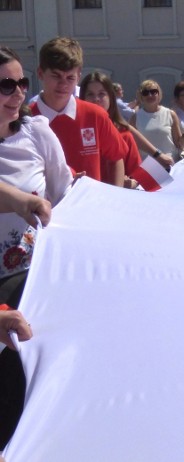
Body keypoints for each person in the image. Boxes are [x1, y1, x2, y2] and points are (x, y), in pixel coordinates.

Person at [0, 46, 72, 449]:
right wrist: (19, 199)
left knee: (36, 382)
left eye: (21, 83)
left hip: (38, 282)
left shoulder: (37, 132)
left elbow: (64, 197)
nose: (17, 93)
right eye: (6, 84)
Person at [29, 37, 126, 187]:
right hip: (41, 208)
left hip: (88, 207)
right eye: (56, 76)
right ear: (40, 73)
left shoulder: (95, 115)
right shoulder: (25, 119)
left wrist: (115, 198)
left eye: (70, 77)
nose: (63, 84)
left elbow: (116, 158)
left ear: (78, 77)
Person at [80, 72, 151, 188]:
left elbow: (140, 178)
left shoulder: (124, 135)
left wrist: (131, 183)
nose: (96, 99)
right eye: (90, 94)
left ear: (111, 98)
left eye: (101, 94)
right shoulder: (75, 132)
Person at [130, 79, 184, 163]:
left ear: (159, 94)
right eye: (145, 93)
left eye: (153, 91)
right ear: (141, 96)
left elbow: (179, 144)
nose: (150, 95)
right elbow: (131, 145)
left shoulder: (170, 114)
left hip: (169, 163)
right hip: (147, 166)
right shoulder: (135, 117)